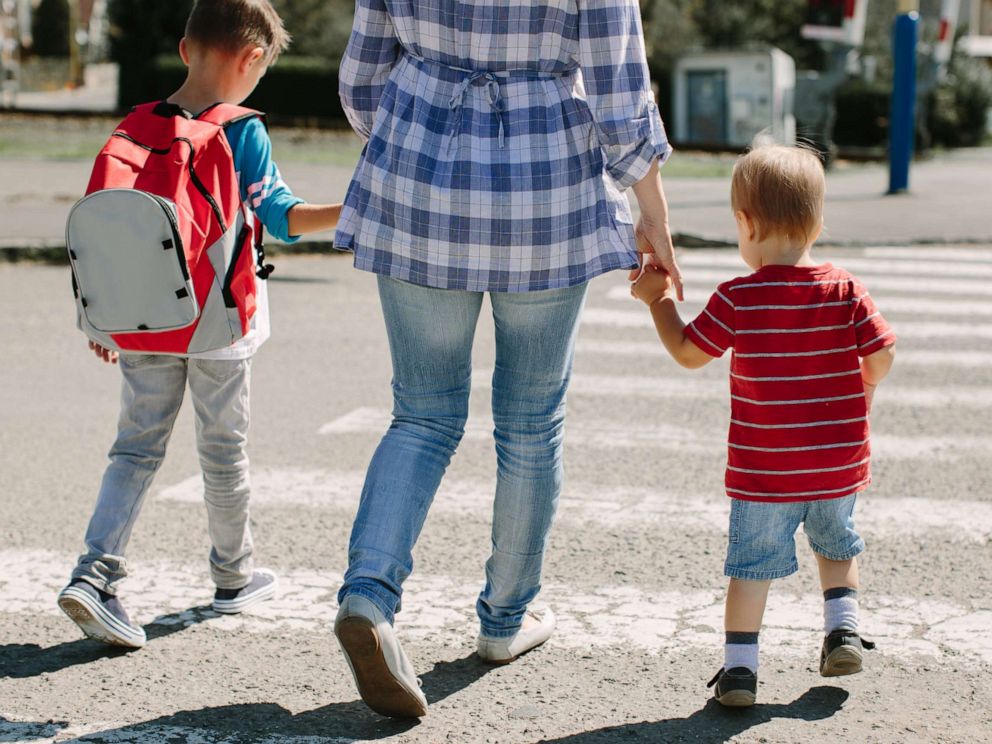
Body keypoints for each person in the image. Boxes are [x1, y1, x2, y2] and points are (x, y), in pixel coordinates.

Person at [333, 0, 682, 719]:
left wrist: (416, 143)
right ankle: (505, 621)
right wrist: (653, 210)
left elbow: (363, 78)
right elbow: (619, 92)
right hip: (545, 196)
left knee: (421, 416)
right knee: (530, 423)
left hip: (420, 186)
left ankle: (368, 596)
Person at [57, 0, 342, 649]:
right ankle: (233, 574)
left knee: (133, 449)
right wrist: (350, 213)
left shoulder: (131, 128)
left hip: (140, 320)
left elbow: (105, 232)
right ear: (253, 60)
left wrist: (102, 322)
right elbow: (281, 219)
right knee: (222, 451)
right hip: (219, 324)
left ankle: (94, 573)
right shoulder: (241, 131)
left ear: (185, 50)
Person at [631, 143, 897, 707]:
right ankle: (842, 632)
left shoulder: (739, 297)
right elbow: (882, 355)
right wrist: (866, 390)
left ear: (745, 224)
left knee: (751, 569)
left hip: (763, 471)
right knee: (837, 548)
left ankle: (740, 672)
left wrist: (657, 300)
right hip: (836, 463)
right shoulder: (846, 289)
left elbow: (686, 352)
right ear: (818, 224)